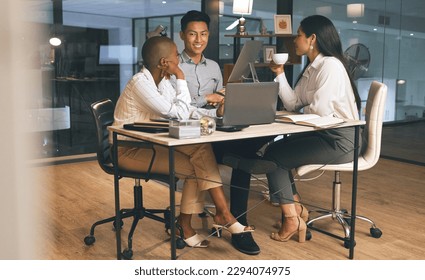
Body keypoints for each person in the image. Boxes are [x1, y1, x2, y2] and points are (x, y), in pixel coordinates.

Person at [111, 36, 252, 248]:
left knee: (199, 160)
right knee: (200, 160)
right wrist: (181, 76)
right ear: (163, 63)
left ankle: (190, 223)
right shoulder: (140, 83)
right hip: (129, 150)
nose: (179, 59)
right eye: (176, 56)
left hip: (151, 144)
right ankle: (222, 215)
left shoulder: (164, 81)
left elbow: (188, 111)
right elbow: (178, 113)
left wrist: (215, 114)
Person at [176, 10, 273, 255]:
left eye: (204, 34)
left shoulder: (214, 67)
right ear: (182, 36)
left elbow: (218, 103)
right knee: (239, 159)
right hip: (189, 135)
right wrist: (203, 98)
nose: (199, 40)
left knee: (245, 153)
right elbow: (173, 107)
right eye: (193, 34)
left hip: (213, 130)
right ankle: (232, 221)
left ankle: (232, 218)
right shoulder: (172, 65)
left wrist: (224, 102)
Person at [262, 15, 362, 243]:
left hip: (340, 141)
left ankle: (292, 218)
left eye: (298, 34)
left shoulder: (331, 66)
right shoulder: (312, 67)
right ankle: (297, 211)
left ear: (312, 39)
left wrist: (301, 112)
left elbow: (321, 111)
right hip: (324, 135)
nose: (295, 40)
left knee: (274, 158)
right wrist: (279, 73)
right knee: (273, 151)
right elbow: (292, 103)